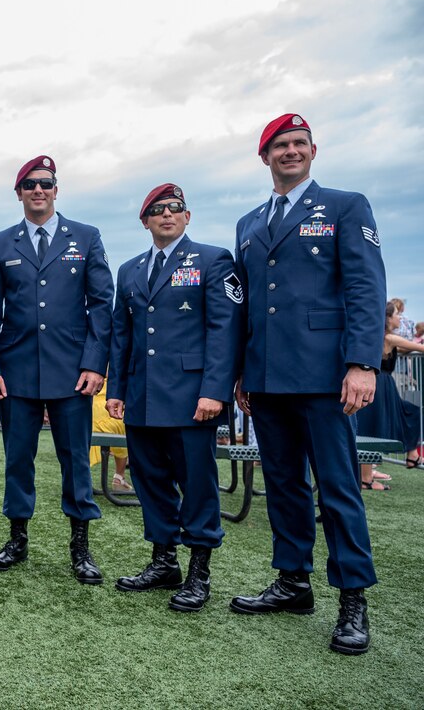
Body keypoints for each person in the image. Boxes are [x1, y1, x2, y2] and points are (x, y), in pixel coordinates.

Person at [232, 114, 386, 656]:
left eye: (299, 143)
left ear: (313, 151)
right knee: (284, 486)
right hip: (268, 378)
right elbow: (247, 304)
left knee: (338, 489)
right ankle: (293, 582)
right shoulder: (249, 222)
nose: (290, 151)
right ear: (265, 156)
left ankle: (352, 598)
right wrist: (243, 371)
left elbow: (366, 285)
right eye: (280, 146)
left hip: (326, 377)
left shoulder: (346, 206)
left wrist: (363, 363)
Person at [107, 183, 242, 612]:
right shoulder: (129, 270)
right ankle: (163, 561)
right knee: (150, 482)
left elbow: (225, 330)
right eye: (158, 210)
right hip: (142, 396)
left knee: (197, 484)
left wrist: (215, 391)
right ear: (145, 221)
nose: (168, 215)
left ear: (188, 216)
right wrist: (117, 391)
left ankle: (198, 572)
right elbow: (122, 336)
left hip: (191, 398)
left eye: (176, 208)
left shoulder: (213, 259)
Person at [0, 155, 113, 583]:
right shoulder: (1, 243)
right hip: (17, 371)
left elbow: (101, 305)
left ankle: (80, 547)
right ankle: (17, 540)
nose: (39, 190)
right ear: (19, 193)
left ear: (56, 191)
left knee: (75, 459)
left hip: (72, 371)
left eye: (46, 183)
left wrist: (95, 363)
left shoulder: (87, 237)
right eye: (30, 184)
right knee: (18, 460)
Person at [356, 302, 424, 478]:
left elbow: (403, 348)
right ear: (388, 318)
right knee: (373, 427)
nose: (399, 318)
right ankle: (366, 478)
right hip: (381, 386)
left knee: (373, 426)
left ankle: (409, 455)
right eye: (396, 315)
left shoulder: (383, 338)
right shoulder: (389, 338)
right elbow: (419, 348)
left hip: (381, 385)